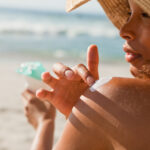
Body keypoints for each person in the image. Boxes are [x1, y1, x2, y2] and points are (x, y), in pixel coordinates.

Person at [22, 0, 150, 149]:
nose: (124, 31)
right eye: (129, 13)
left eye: (146, 15)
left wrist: (44, 123)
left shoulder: (118, 98)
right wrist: (87, 119)